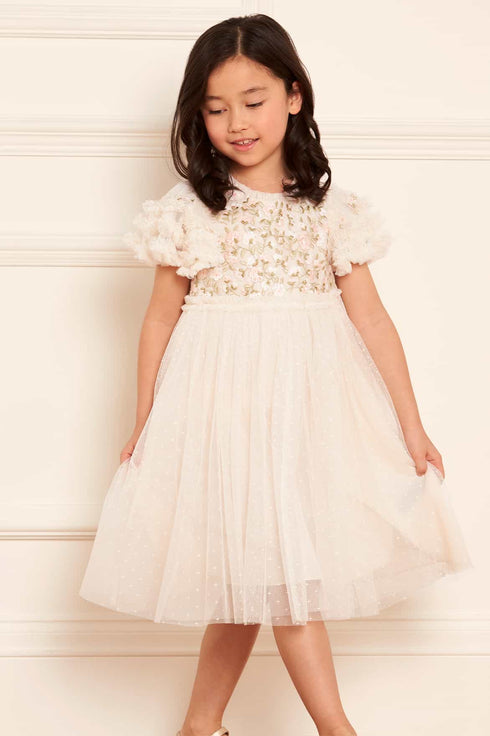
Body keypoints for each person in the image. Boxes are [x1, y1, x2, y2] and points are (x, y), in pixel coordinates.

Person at [79, 13, 473, 736]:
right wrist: (145, 420)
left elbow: (372, 320)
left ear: (294, 97)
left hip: (307, 417)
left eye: (253, 101)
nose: (236, 123)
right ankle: (335, 730)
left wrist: (411, 427)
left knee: (262, 582)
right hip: (223, 415)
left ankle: (200, 726)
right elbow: (160, 319)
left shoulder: (331, 211)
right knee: (275, 580)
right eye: (216, 108)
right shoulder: (191, 211)